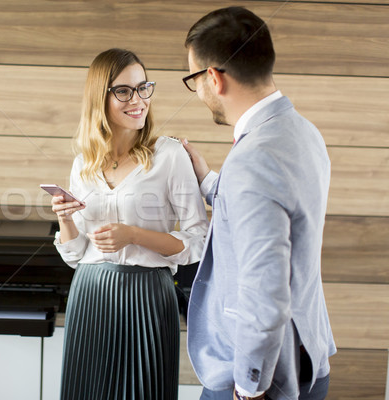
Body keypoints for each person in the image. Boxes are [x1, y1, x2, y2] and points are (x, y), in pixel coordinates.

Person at [179, 7, 336, 400]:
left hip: (260, 377)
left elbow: (264, 292)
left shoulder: (254, 159)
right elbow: (276, 208)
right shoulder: (301, 131)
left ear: (213, 78)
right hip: (306, 358)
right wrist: (209, 180)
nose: (197, 90)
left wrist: (250, 386)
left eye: (194, 78)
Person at [51, 48, 208, 400]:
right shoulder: (84, 163)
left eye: (143, 88)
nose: (137, 100)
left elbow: (198, 241)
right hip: (90, 294)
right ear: (99, 98)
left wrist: (134, 235)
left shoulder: (169, 156)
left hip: (148, 295)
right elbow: (76, 254)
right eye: (123, 91)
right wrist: (65, 219)